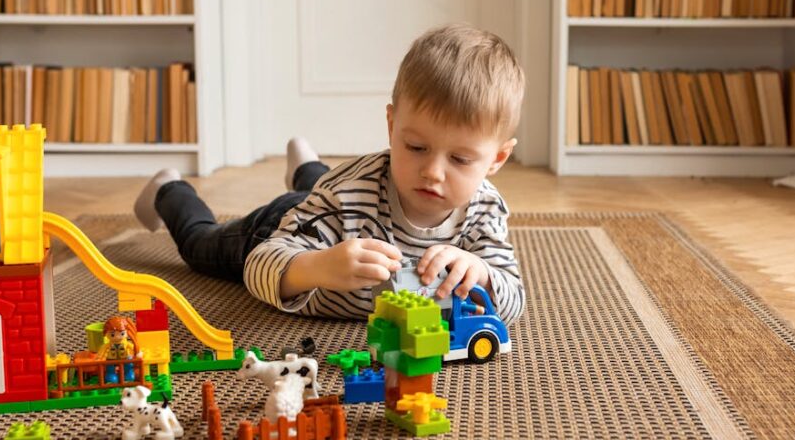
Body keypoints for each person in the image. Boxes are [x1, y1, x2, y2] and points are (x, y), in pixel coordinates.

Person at [133, 24, 525, 324]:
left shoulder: (484, 208)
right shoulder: (345, 195)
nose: (433, 172)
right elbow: (260, 263)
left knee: (323, 190)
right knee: (202, 246)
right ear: (392, 127)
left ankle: (308, 169)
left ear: (497, 158)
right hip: (282, 225)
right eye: (416, 148)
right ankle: (170, 190)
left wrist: (485, 276)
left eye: (460, 160)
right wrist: (316, 266)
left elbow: (514, 299)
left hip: (327, 203)